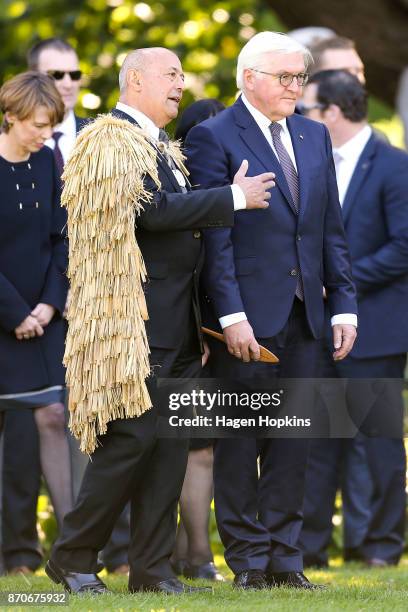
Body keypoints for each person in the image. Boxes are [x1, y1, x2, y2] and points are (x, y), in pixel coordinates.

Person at [45, 46, 274, 596]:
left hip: (176, 324)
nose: (180, 83)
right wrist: (231, 198)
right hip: (133, 323)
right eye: (170, 74)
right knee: (130, 439)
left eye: (181, 73)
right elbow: (143, 212)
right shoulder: (109, 138)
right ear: (136, 79)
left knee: (170, 445)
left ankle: (152, 571)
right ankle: (72, 557)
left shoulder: (160, 145)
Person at [185, 31, 357, 590]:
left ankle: (287, 558)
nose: (294, 87)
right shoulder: (213, 136)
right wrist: (230, 315)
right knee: (240, 441)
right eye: (283, 77)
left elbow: (330, 226)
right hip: (247, 320)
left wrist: (345, 306)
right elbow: (215, 239)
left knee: (293, 442)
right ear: (248, 77)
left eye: (299, 78)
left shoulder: (312, 134)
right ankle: (249, 562)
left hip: (308, 312)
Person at [298, 70, 408, 567]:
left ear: (332, 114)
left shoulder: (395, 167)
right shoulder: (312, 161)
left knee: (378, 444)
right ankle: (311, 549)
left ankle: (382, 547)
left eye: (307, 109)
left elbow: (403, 248)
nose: (299, 118)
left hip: (376, 330)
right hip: (318, 330)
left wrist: (337, 283)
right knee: (317, 442)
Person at [0, 72, 70, 573]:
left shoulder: (48, 160)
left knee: (54, 417)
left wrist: (48, 304)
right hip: (5, 319)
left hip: (44, 318)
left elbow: (58, 239)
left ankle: (70, 549)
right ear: (10, 115)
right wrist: (15, 313)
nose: (44, 134)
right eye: (37, 125)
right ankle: (14, 550)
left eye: (50, 125)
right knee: (12, 435)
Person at [170, 98, 226, 582]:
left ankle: (198, 553)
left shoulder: (239, 188)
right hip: (181, 329)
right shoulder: (176, 191)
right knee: (173, 445)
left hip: (223, 330)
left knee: (203, 448)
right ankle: (179, 552)